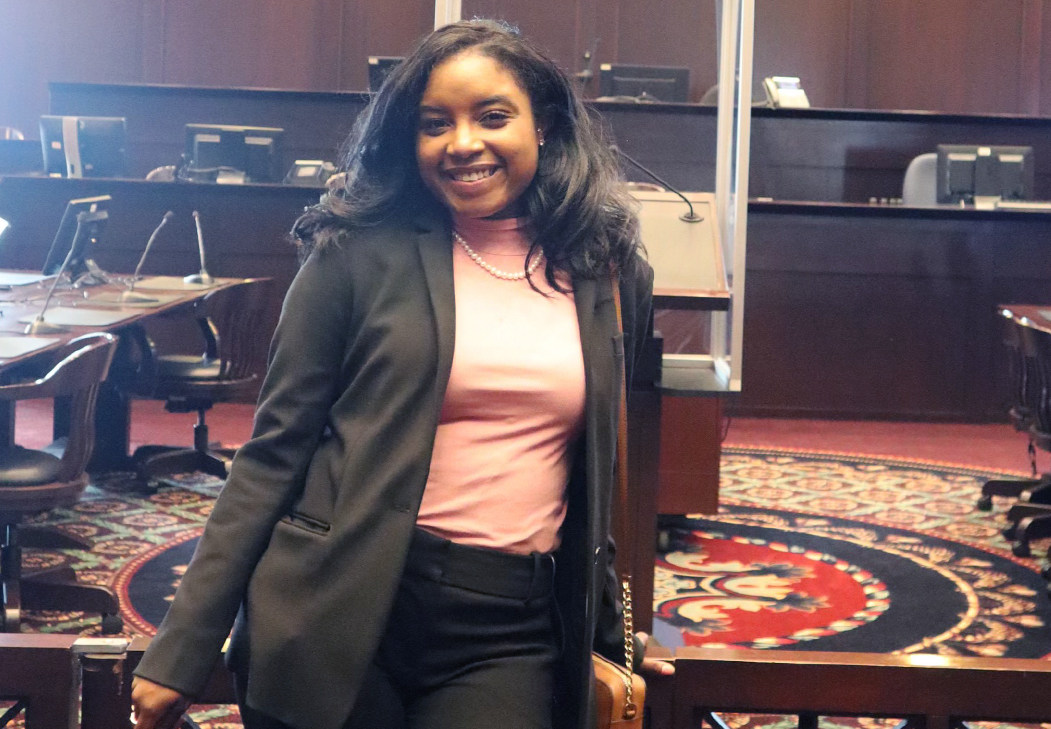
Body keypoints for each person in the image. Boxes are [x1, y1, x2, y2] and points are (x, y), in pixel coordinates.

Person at [130, 18, 669, 729]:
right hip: (338, 601)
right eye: (434, 124)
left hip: (509, 626)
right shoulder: (352, 254)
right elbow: (272, 455)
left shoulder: (607, 269)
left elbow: (591, 470)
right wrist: (181, 644)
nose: (463, 143)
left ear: (545, 126)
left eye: (493, 116)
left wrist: (607, 631)